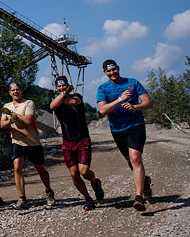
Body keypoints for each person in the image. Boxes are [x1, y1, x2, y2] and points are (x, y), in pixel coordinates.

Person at [96, 59, 153, 211]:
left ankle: (139, 197)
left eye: (114, 69)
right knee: (129, 160)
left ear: (118, 68)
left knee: (135, 157)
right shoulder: (103, 89)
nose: (112, 73)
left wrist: (135, 106)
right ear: (105, 73)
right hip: (118, 129)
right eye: (109, 71)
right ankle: (144, 181)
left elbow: (148, 103)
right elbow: (103, 110)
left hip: (136, 125)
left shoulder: (133, 83)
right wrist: (120, 99)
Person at [50, 75, 104, 210]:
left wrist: (64, 95)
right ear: (56, 88)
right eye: (59, 86)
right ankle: (87, 198)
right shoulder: (56, 101)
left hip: (82, 139)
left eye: (64, 85)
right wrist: (63, 95)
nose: (62, 88)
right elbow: (52, 106)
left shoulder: (76, 96)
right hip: (67, 142)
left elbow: (74, 102)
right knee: (74, 173)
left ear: (68, 85)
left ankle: (94, 182)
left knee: (84, 171)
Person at [1, 82, 56, 210]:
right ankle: (22, 198)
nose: (15, 92)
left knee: (39, 167)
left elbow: (28, 120)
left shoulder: (28, 103)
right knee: (17, 167)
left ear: (21, 91)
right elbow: (2, 124)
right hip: (17, 141)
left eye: (17, 89)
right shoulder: (6, 106)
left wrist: (14, 116)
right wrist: (10, 120)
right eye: (13, 90)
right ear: (10, 93)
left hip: (32, 142)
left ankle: (48, 191)